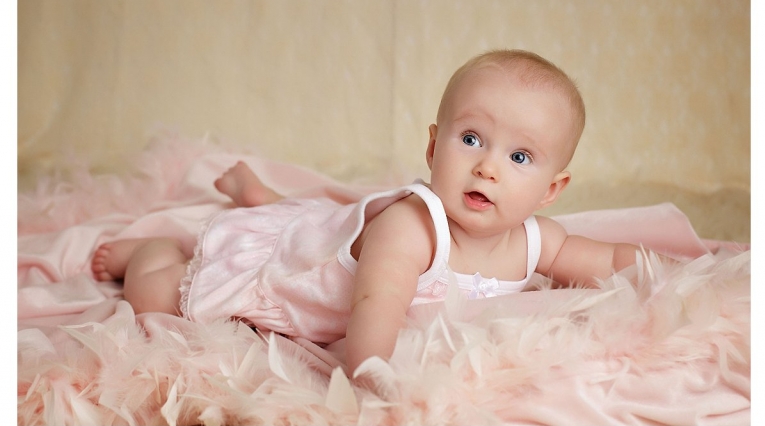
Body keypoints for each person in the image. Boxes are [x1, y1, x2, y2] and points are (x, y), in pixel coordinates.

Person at [92, 49, 646, 377]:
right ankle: (153, 252)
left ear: (553, 189)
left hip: (328, 230)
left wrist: (674, 272)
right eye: (472, 138)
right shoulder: (413, 228)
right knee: (161, 302)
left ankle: (259, 197)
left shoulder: (536, 238)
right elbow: (376, 305)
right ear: (433, 149)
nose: (487, 168)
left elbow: (613, 258)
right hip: (295, 275)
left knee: (314, 216)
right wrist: (370, 373)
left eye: (519, 156)